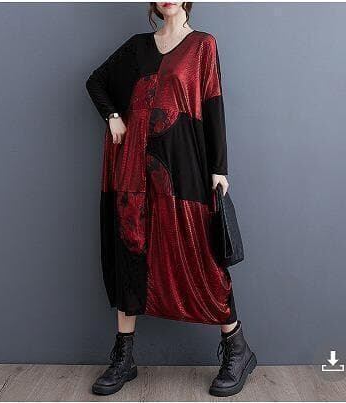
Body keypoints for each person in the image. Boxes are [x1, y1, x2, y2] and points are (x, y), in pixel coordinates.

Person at [86, 2, 256, 397]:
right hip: (133, 171)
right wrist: (113, 116)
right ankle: (124, 357)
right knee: (130, 251)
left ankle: (237, 348)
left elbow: (212, 104)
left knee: (201, 253)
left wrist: (219, 168)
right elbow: (96, 82)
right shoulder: (137, 47)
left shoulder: (202, 46)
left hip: (184, 168)